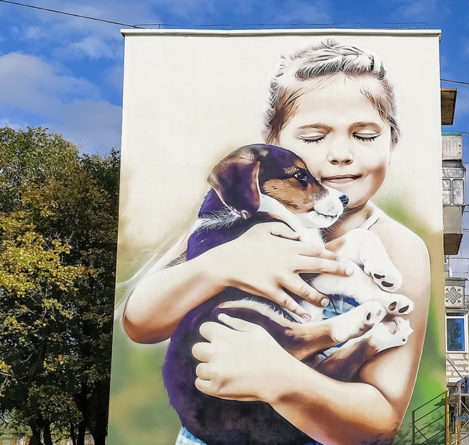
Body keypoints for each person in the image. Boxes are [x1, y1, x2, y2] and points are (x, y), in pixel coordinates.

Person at [122, 40, 431, 445]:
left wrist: (277, 378)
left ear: (391, 140)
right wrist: (217, 266)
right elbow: (141, 323)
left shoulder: (399, 247)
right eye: (315, 136)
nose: (340, 154)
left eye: (365, 134)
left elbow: (381, 418)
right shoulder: (239, 220)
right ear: (275, 144)